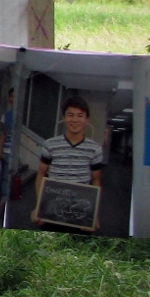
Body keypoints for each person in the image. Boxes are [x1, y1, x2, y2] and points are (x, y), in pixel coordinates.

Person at [35, 95, 105, 233]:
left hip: (80, 212)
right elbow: (41, 174)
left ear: (87, 120)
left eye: (80, 115)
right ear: (64, 118)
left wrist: (93, 213)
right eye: (70, 115)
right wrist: (39, 206)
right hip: (52, 208)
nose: (75, 120)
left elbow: (96, 180)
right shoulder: (50, 144)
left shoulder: (95, 149)